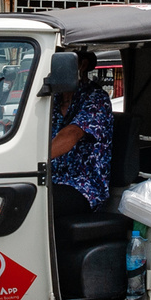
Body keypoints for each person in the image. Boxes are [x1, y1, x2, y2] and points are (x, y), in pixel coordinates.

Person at [50, 51, 114, 215]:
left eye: (58, 65)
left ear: (82, 65)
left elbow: (71, 134)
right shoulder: (52, 99)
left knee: (35, 200)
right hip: (50, 179)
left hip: (83, 186)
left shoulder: (96, 98)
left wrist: (28, 161)